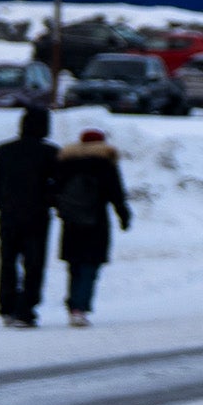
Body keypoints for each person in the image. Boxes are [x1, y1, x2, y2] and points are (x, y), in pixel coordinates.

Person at [48, 128, 132, 329]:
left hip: (71, 222)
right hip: (96, 221)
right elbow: (116, 193)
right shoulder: (105, 163)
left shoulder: (65, 163)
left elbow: (52, 191)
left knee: (74, 265)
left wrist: (61, 210)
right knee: (90, 265)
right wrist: (124, 216)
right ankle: (80, 308)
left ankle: (72, 306)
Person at [0, 106, 58, 329]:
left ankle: (6, 307)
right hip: (37, 217)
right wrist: (47, 202)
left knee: (7, 262)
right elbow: (58, 185)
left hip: (9, 216)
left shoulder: (3, 150)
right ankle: (26, 310)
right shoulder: (51, 153)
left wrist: (4, 205)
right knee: (34, 264)